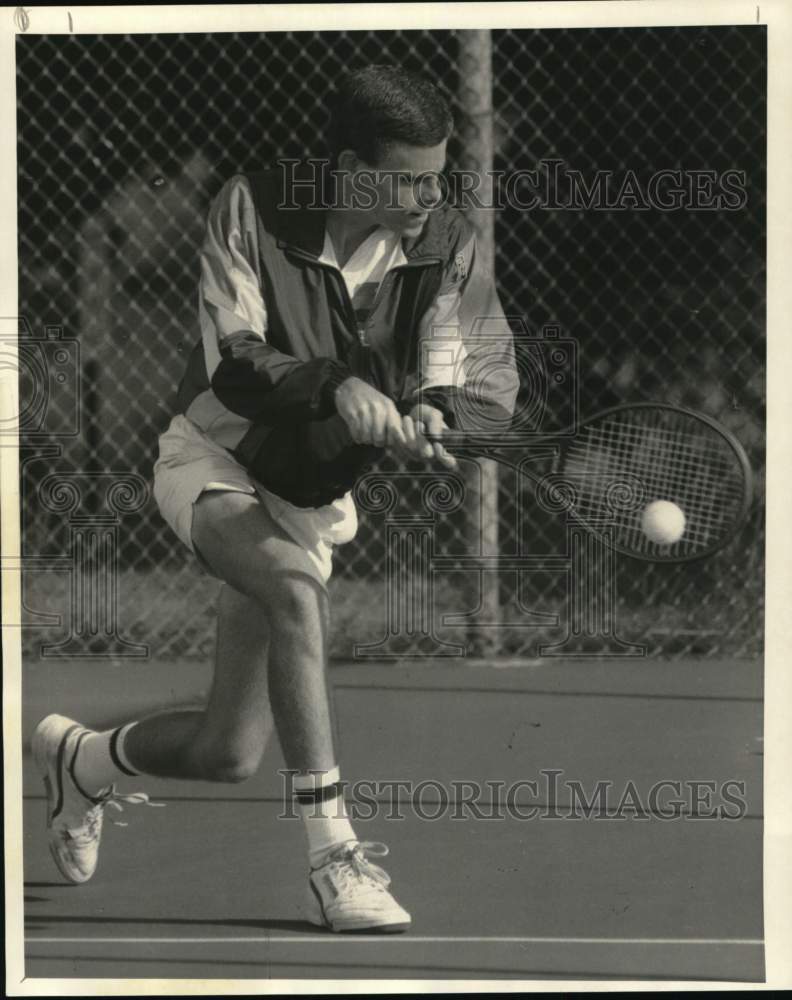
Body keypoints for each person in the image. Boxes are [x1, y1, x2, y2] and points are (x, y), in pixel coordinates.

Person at [32, 65, 517, 933]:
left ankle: (84, 761)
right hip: (213, 456)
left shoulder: (448, 239)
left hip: (311, 493)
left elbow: (471, 367)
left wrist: (438, 412)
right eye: (408, 177)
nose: (428, 194)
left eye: (438, 174)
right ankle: (335, 861)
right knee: (297, 592)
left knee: (230, 752)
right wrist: (333, 386)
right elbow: (234, 357)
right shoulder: (252, 208)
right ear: (348, 169)